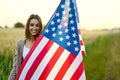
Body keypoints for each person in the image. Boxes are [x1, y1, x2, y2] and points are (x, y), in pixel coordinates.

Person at [8, 14, 42, 80]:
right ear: (28, 26)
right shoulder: (20, 44)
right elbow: (15, 67)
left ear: (40, 27)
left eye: (37, 25)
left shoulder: (42, 44)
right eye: (32, 25)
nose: (34, 28)